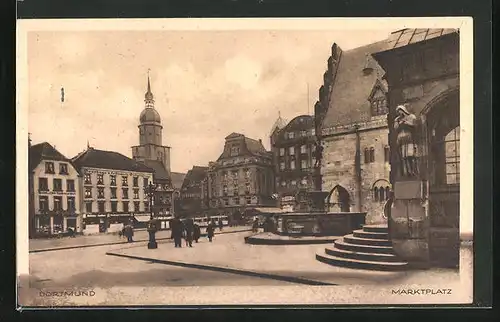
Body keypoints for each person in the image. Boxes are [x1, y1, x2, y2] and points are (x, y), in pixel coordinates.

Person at [394, 104, 418, 177]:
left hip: (409, 137)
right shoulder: (398, 119)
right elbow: (396, 128)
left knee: (410, 155)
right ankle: (407, 172)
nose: (399, 113)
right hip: (401, 138)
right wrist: (396, 121)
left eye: (400, 111)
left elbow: (414, 125)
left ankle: (413, 171)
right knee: (404, 157)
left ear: (404, 110)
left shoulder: (411, 117)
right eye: (398, 112)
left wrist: (405, 122)